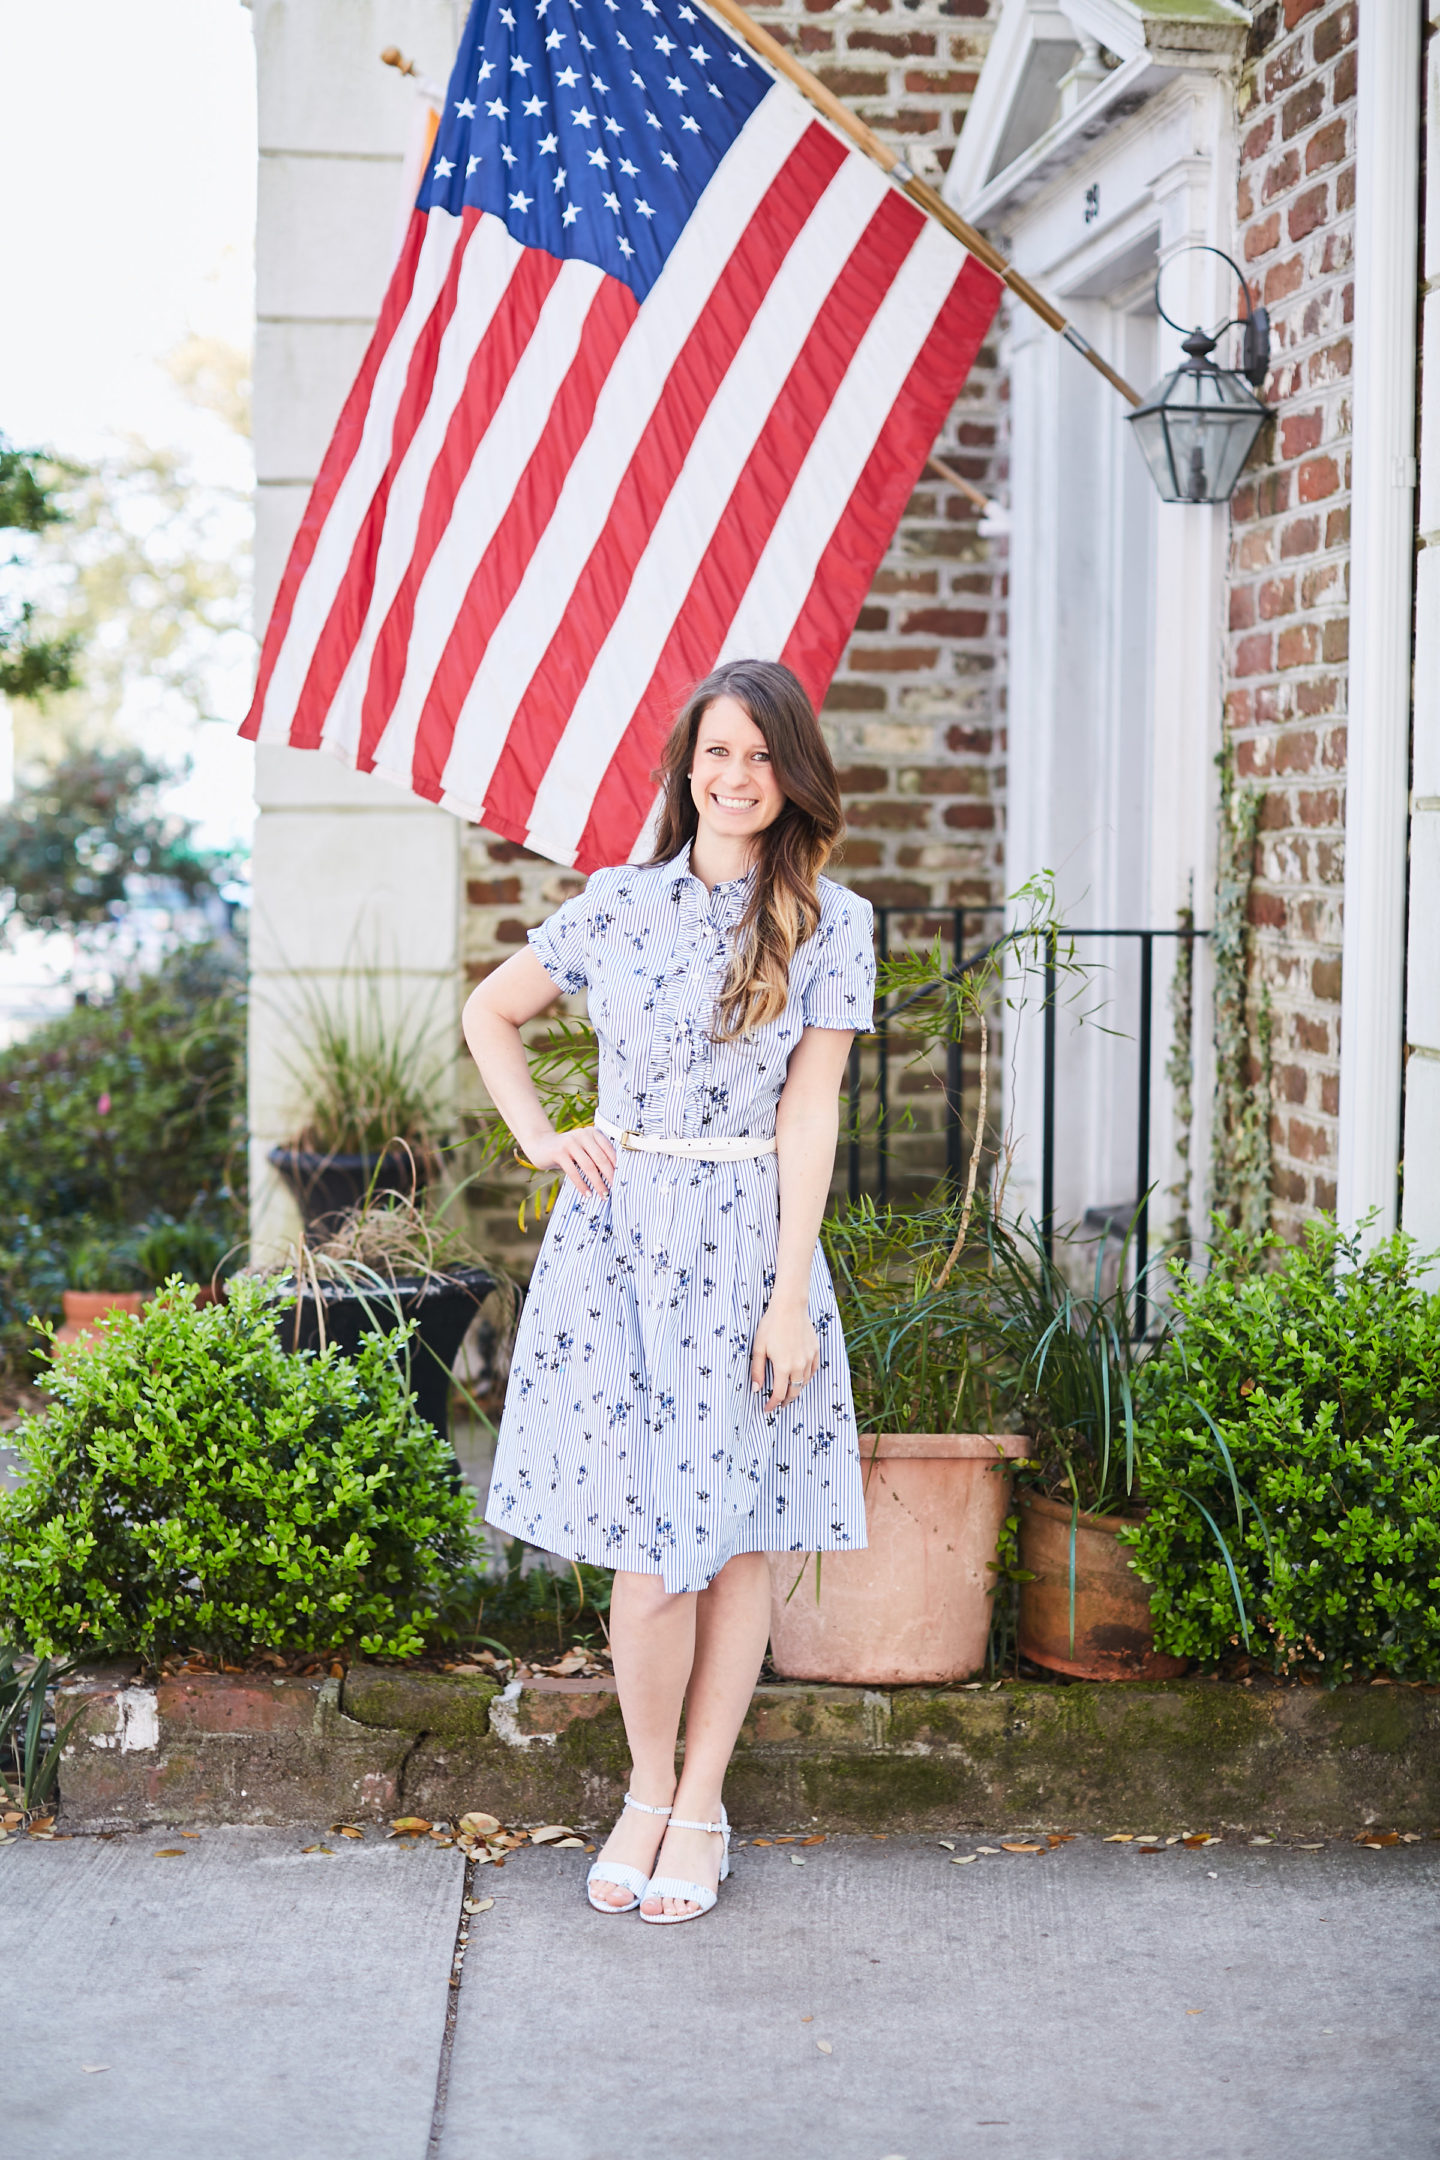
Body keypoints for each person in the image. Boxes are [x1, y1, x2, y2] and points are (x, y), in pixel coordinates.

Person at [462, 658, 875, 1924]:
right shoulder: (617, 907)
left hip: (751, 1241)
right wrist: (543, 1138)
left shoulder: (827, 919)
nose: (736, 777)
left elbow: (812, 1111)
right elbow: (493, 1012)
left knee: (735, 1536)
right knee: (649, 1549)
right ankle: (647, 1789)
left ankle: (703, 1804)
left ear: (790, 774)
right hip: (622, 1246)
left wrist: (791, 1294)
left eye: (760, 756)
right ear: (686, 769)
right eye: (716, 754)